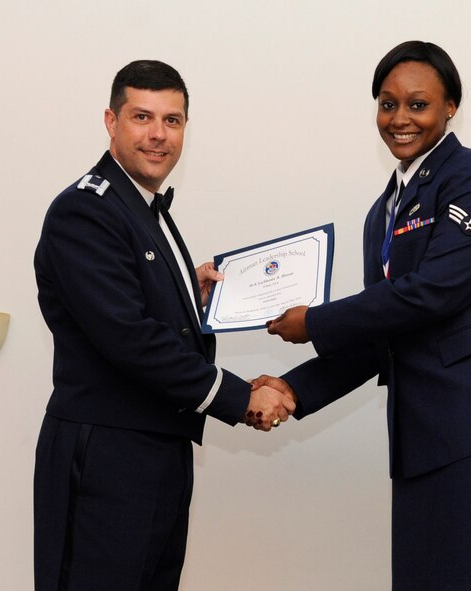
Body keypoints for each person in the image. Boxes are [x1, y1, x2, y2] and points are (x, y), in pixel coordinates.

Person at [253, 41, 471, 589]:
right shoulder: (378, 216)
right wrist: (292, 390)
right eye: (388, 104)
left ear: (450, 107)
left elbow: (436, 290)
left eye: (418, 104)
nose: (400, 118)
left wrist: (315, 322)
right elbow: (379, 332)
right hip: (428, 437)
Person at [33, 60, 294, 591]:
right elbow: (130, 338)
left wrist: (185, 293)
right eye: (142, 117)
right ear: (111, 121)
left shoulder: (142, 206)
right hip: (107, 456)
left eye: (172, 121)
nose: (158, 135)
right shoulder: (84, 211)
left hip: (155, 449)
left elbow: (134, 305)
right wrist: (240, 397)